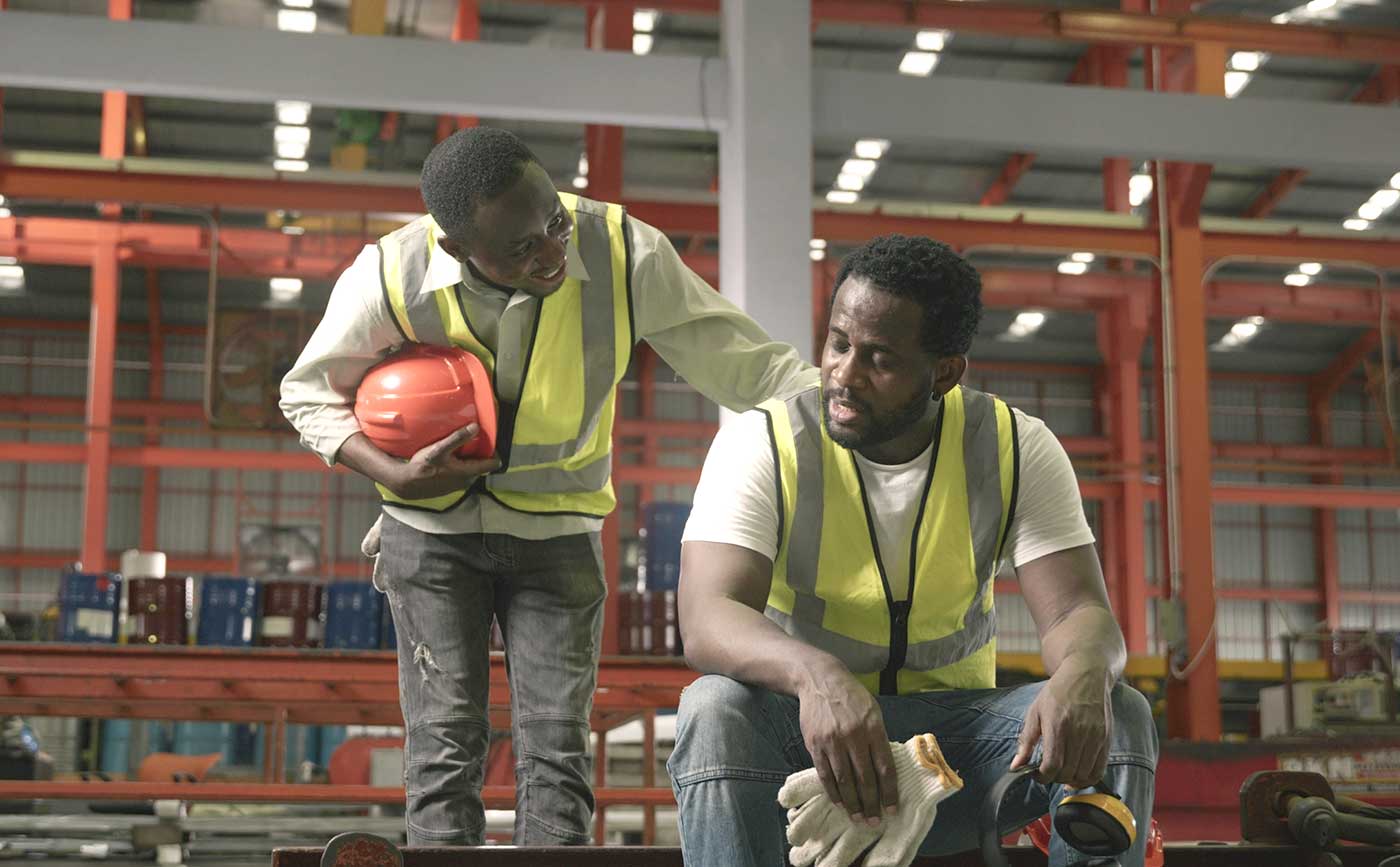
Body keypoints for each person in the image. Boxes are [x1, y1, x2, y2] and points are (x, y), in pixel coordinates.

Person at [279, 126, 815, 846]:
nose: (554, 252)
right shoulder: (393, 273)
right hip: (429, 535)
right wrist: (391, 470)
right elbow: (307, 392)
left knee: (558, 755)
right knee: (443, 750)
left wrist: (846, 410)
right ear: (459, 250)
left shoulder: (623, 252)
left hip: (558, 536)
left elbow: (753, 368)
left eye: (554, 223)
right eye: (522, 249)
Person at [668, 234, 1158, 867]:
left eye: (880, 359)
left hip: (958, 759)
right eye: (838, 343)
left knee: (1118, 710)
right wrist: (817, 677)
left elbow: (1076, 615)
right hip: (806, 753)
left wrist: (1084, 673)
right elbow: (708, 617)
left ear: (946, 372)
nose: (843, 374)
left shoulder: (1014, 447)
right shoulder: (764, 442)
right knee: (712, 709)